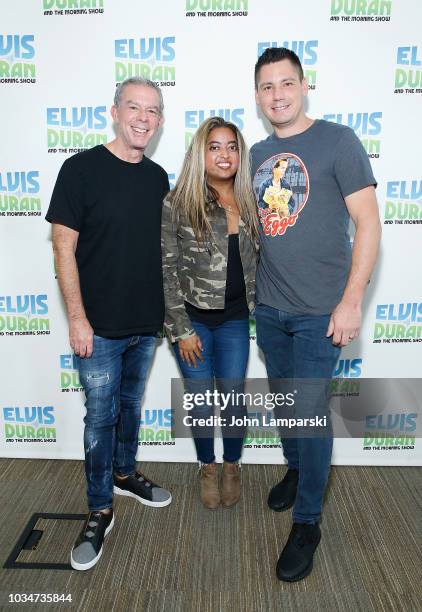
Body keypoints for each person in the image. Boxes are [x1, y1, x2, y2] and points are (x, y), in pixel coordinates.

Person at [251, 47, 381, 581]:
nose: (277, 94)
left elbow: (369, 225)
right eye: (267, 86)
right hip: (270, 308)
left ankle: (308, 520)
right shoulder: (257, 151)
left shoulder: (338, 141)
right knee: (287, 407)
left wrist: (351, 302)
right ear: (257, 95)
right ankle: (297, 469)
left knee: (308, 412)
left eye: (286, 83)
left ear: (304, 86)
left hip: (319, 314)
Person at [46, 77, 172, 571]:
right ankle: (99, 508)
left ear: (160, 120)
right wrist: (77, 319)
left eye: (153, 111)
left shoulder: (159, 177)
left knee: (130, 406)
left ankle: (124, 473)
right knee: (100, 419)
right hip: (96, 329)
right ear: (114, 112)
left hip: (145, 324)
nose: (143, 118)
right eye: (134, 107)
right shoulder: (79, 170)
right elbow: (63, 247)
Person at [161, 117, 258, 509]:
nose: (224, 154)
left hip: (236, 319)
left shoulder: (253, 198)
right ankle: (206, 465)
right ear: (201, 152)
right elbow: (165, 271)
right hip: (193, 320)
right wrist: (181, 330)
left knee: (233, 397)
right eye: (215, 146)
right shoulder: (178, 202)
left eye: (231, 146)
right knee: (200, 399)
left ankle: (232, 464)